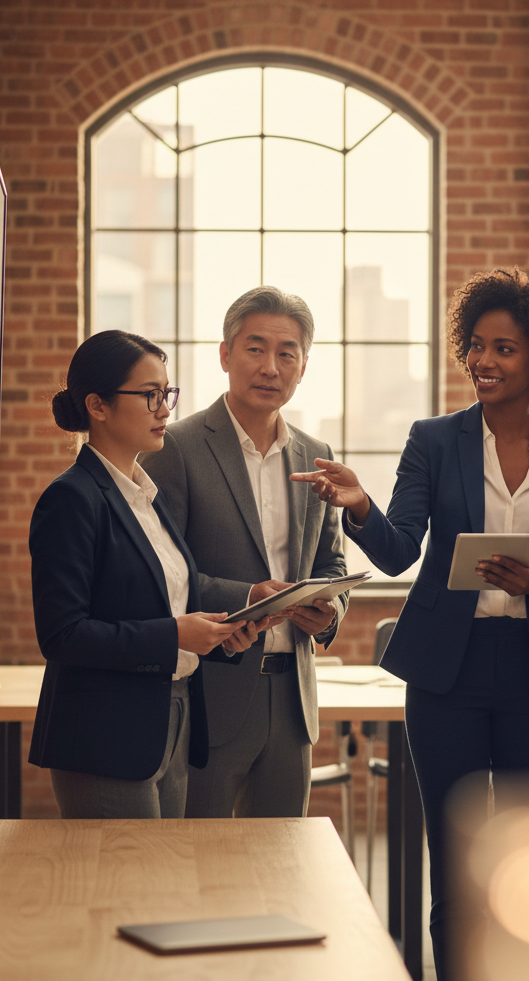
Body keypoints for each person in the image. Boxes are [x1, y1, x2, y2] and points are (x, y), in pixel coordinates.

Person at [292, 267, 529, 981]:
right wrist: (359, 505)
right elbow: (400, 550)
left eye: (505, 349)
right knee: (457, 861)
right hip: (447, 675)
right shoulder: (433, 440)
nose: (484, 361)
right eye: (477, 346)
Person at [29, 330, 259, 818]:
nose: (164, 410)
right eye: (150, 394)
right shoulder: (71, 498)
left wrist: (219, 636)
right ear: (98, 405)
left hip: (172, 723)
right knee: (123, 870)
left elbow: (168, 599)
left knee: (163, 869)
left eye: (167, 393)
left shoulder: (148, 497)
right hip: (105, 738)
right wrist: (176, 635)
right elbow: (62, 635)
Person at [140, 286, 348, 819]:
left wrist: (330, 613)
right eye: (255, 349)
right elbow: (161, 574)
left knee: (283, 857)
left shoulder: (317, 454)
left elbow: (332, 562)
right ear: (225, 355)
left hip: (293, 700)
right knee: (198, 858)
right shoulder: (176, 447)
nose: (270, 367)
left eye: (287, 353)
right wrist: (247, 596)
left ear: (303, 367)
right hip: (209, 695)